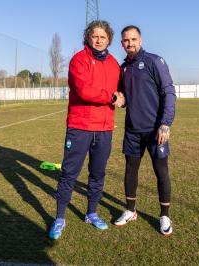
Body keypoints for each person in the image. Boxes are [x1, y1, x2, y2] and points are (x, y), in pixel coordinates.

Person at [49, 20, 122, 240]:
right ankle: (60, 217)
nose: (99, 40)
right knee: (69, 174)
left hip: (104, 128)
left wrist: (122, 98)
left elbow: (121, 91)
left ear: (109, 39)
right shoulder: (78, 60)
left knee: (98, 174)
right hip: (79, 127)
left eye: (103, 37)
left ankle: (91, 213)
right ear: (88, 37)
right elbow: (84, 90)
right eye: (95, 36)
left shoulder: (114, 64)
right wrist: (111, 97)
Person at [114, 25, 176, 236]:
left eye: (133, 39)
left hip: (155, 130)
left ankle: (164, 215)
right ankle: (130, 211)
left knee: (161, 171)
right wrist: (119, 100)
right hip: (132, 130)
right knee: (130, 170)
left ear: (140, 40)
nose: (129, 43)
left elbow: (168, 92)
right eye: (125, 40)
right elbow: (123, 98)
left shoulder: (153, 61)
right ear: (122, 43)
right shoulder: (123, 68)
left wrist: (165, 124)